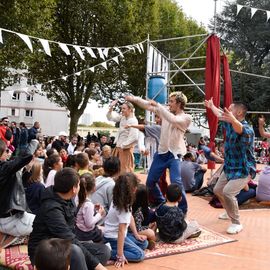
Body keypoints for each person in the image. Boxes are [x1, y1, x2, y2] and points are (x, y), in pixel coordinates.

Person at [28, 167, 110, 270]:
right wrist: (99, 267)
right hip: (44, 252)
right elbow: (69, 239)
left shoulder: (66, 197)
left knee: (104, 251)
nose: (80, 186)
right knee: (75, 250)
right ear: (74, 189)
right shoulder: (51, 208)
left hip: (62, 244)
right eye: (79, 184)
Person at [126, 92, 192, 214]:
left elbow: (172, 119)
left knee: (176, 182)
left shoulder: (186, 118)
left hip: (174, 155)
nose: (169, 103)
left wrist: (159, 106)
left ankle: (183, 210)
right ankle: (161, 202)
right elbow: (148, 105)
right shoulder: (166, 110)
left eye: (172, 101)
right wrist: (134, 98)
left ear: (179, 104)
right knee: (150, 182)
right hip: (161, 153)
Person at [204, 98, 256, 234]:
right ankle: (229, 212)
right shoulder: (229, 123)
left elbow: (240, 129)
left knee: (228, 192)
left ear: (238, 112)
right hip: (230, 167)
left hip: (244, 169)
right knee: (218, 190)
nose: (227, 111)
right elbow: (219, 114)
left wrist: (233, 120)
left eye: (230, 109)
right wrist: (211, 106)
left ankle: (236, 223)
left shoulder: (248, 130)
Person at [103, 173, 148, 267]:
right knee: (139, 255)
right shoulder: (123, 206)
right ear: (133, 189)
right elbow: (121, 231)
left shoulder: (121, 198)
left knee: (144, 243)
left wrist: (136, 234)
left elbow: (130, 217)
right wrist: (120, 255)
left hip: (120, 235)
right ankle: (107, 250)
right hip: (113, 237)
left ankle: (117, 248)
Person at [0, 139, 38, 237]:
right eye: (7, 150)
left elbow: (16, 185)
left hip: (8, 218)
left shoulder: (4, 169)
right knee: (46, 225)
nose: (10, 152)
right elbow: (26, 156)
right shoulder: (3, 168)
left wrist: (27, 169)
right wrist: (35, 141)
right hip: (9, 221)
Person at [106, 100, 139, 174]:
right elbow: (110, 118)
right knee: (115, 170)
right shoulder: (123, 117)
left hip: (125, 150)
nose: (122, 110)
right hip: (118, 148)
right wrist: (111, 106)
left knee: (124, 172)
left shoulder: (133, 121)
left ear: (130, 110)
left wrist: (122, 146)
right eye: (122, 108)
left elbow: (134, 137)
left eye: (124, 108)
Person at [75, 173, 106, 242]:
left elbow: (81, 210)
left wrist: (93, 208)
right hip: (86, 234)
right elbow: (89, 224)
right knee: (107, 234)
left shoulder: (77, 197)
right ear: (94, 187)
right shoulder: (88, 204)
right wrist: (99, 214)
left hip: (79, 230)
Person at [132, 184, 156, 250]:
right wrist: (148, 228)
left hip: (138, 227)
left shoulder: (138, 207)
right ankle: (151, 242)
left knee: (153, 224)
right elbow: (138, 228)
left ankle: (149, 239)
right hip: (134, 230)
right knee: (151, 233)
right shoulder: (138, 211)